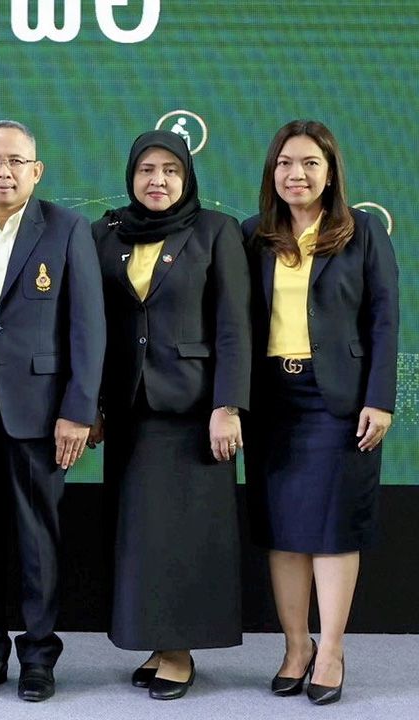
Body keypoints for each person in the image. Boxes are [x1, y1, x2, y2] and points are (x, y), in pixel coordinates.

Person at [0, 120, 104, 702]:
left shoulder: (68, 229)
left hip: (44, 415)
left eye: (15, 162)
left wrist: (78, 410)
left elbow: (87, 328)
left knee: (38, 538)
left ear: (37, 170)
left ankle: (38, 655)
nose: (3, 172)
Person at [242, 120, 398, 706]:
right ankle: (295, 647)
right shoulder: (251, 234)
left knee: (332, 531)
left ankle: (330, 649)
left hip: (340, 400)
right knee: (284, 533)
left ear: (330, 171)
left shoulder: (362, 234)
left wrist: (379, 398)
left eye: (309, 163)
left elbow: (384, 321)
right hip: (270, 402)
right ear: (272, 171)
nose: (296, 174)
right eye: (285, 162)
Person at [90, 130, 249, 700]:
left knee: (185, 535)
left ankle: (180, 650)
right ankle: (159, 641)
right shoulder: (106, 233)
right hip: (130, 410)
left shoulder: (216, 231)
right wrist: (94, 405)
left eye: (170, 171)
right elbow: (94, 327)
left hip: (195, 411)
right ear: (131, 176)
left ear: (186, 177)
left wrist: (228, 405)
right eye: (146, 170)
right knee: (143, 537)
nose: (157, 181)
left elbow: (234, 326)